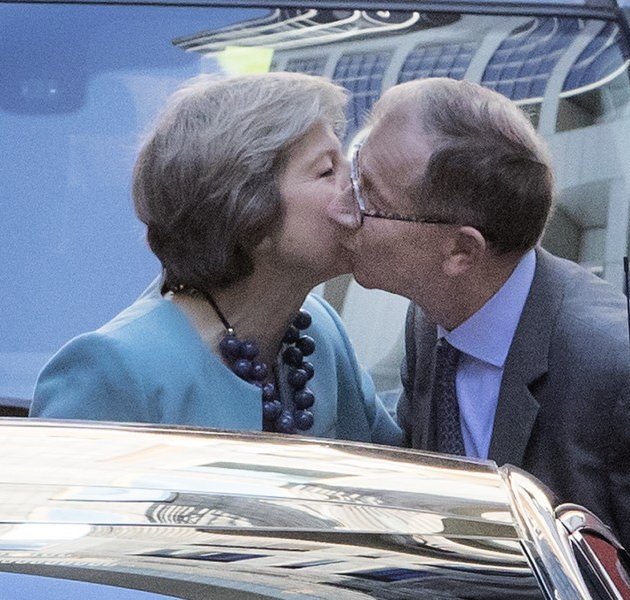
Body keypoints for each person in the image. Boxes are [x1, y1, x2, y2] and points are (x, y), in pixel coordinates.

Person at [330, 77, 630, 598]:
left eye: (369, 194)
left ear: (461, 251)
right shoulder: (432, 316)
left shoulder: (627, 380)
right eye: (352, 164)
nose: (342, 205)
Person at [31, 73, 401, 446]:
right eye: (327, 170)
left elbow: (394, 482)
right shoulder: (113, 371)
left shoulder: (318, 332)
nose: (355, 185)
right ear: (250, 215)